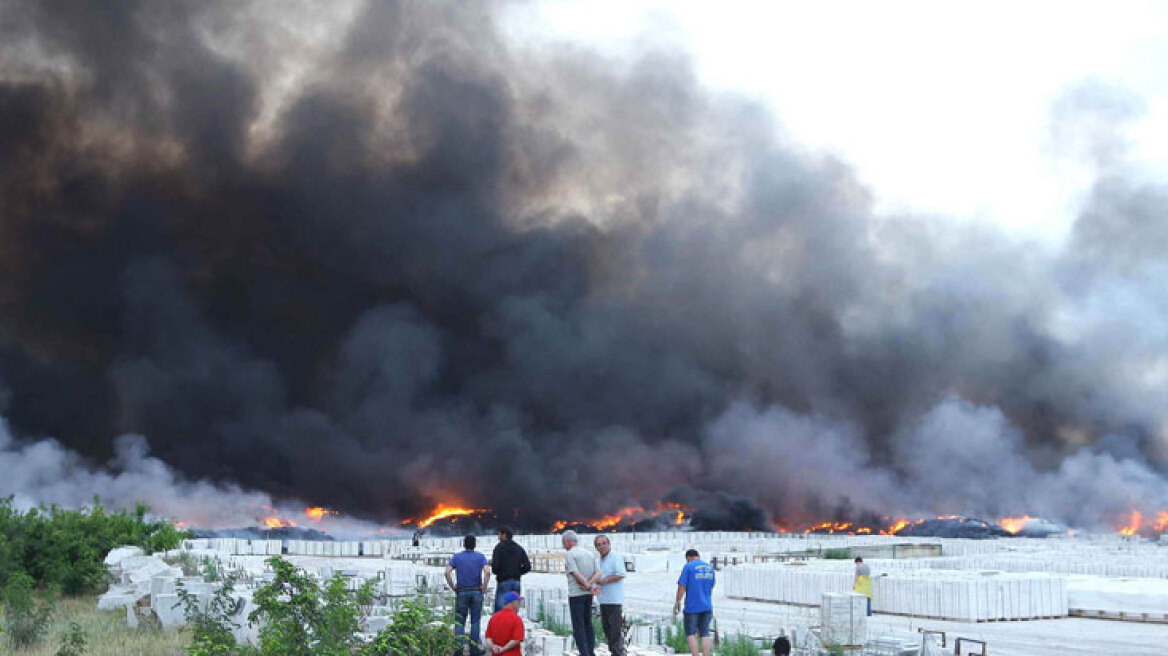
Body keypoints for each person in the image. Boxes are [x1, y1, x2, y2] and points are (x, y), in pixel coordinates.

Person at [446, 535, 491, 655]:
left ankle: (458, 649)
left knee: (460, 621)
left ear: (464, 544)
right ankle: (474, 649)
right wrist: (484, 586)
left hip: (462, 592)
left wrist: (453, 586)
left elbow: (447, 572)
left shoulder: (457, 557)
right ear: (475, 544)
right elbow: (487, 572)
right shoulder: (480, 557)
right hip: (476, 591)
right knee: (475, 621)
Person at [562, 530, 599, 656]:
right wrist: (589, 585)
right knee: (588, 623)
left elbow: (575, 572)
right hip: (588, 595)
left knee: (578, 626)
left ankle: (584, 653)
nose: (563, 546)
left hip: (576, 594)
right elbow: (598, 572)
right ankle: (590, 651)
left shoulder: (570, 554)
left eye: (563, 543)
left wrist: (585, 584)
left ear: (568, 542)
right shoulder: (590, 553)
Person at [674, 548, 715, 656]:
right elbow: (712, 585)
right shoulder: (709, 567)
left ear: (688, 557)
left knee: (691, 633)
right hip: (707, 606)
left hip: (692, 607)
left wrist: (677, 601)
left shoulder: (689, 567)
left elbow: (682, 586)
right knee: (705, 633)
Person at [592, 535, 627, 656]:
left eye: (603, 543)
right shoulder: (599, 560)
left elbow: (621, 574)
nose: (601, 546)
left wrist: (605, 581)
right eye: (598, 544)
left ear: (609, 544)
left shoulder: (615, 557)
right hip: (603, 599)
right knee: (607, 629)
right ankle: (614, 652)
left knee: (615, 630)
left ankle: (618, 653)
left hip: (614, 599)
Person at [491, 525, 532, 612]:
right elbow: (528, 566)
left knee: (500, 611)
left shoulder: (499, 548)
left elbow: (495, 568)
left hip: (504, 582)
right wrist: (518, 572)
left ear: (504, 535)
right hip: (516, 582)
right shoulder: (519, 548)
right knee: (513, 610)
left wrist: (501, 572)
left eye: (499, 534)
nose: (498, 537)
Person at [485, 591, 526, 656]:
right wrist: (503, 649)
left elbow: (488, 637)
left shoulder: (494, 618)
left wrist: (493, 647)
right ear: (513, 603)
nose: (519, 605)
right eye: (518, 602)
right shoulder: (517, 619)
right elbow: (517, 640)